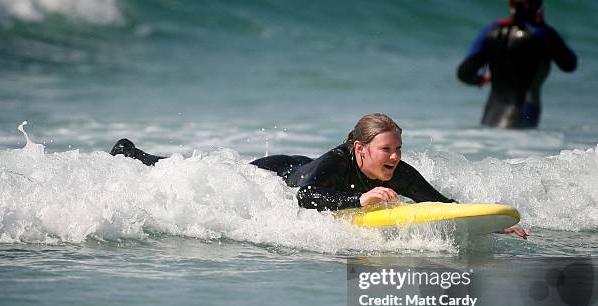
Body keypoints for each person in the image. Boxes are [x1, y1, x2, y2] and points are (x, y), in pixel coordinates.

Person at [111, 113, 529, 238]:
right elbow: (305, 199)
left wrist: (489, 224)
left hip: (303, 167)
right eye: (388, 149)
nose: (396, 157)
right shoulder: (337, 161)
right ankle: (134, 155)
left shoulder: (398, 171)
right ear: (361, 148)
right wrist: (358, 201)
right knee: (200, 173)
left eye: (399, 149)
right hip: (278, 175)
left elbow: (436, 203)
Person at [457, 0, 577, 128]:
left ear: (511, 5)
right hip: (524, 114)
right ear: (537, 7)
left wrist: (481, 80)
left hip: (491, 116)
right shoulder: (543, 34)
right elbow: (569, 65)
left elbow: (464, 74)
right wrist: (548, 32)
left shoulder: (491, 31)